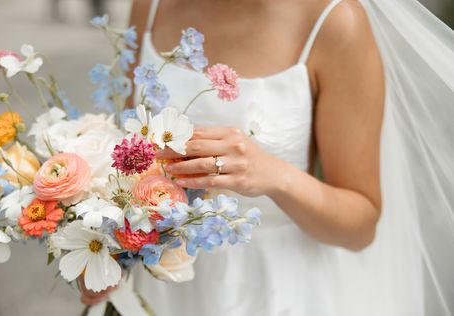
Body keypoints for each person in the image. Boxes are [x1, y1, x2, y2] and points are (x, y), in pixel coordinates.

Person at [80, 0, 454, 315]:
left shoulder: (335, 22)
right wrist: (101, 247)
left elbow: (361, 225)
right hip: (161, 286)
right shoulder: (152, 6)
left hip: (276, 290)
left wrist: (274, 176)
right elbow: (129, 160)